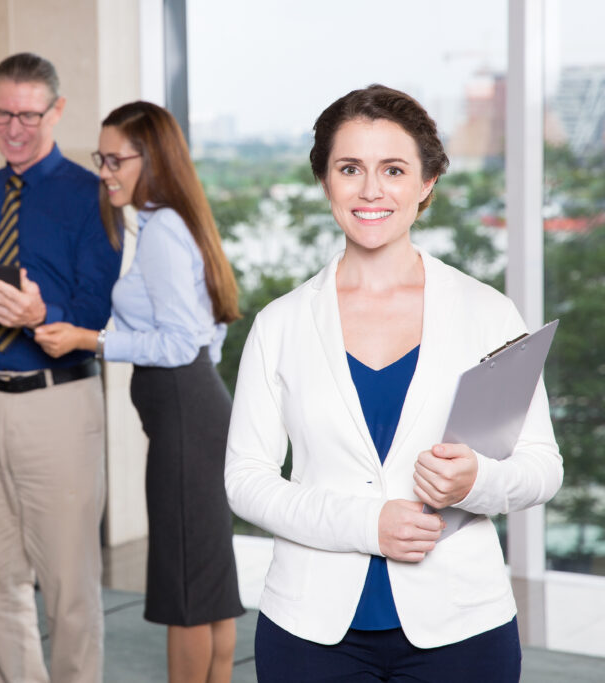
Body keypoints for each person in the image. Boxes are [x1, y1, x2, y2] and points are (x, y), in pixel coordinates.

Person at [224, 84, 564, 682]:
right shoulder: (280, 323)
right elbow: (246, 480)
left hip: (462, 627)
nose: (371, 190)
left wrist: (476, 481)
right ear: (325, 181)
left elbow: (542, 467)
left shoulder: (488, 312)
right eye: (349, 168)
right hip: (309, 630)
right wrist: (367, 525)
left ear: (427, 182)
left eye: (394, 169)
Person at [34, 101, 245, 683]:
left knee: (187, 593)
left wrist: (90, 338)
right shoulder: (173, 222)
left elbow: (178, 342)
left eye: (115, 160)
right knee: (210, 586)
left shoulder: (162, 232)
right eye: (100, 159)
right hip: (197, 407)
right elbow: (210, 329)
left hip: (185, 415)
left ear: (150, 159)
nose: (104, 172)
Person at [0, 52, 122, 683]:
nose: (14, 128)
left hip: (57, 401)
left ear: (57, 111)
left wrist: (38, 313)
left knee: (69, 585)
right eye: (1, 113)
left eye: (28, 114)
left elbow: (97, 312)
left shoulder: (93, 197)